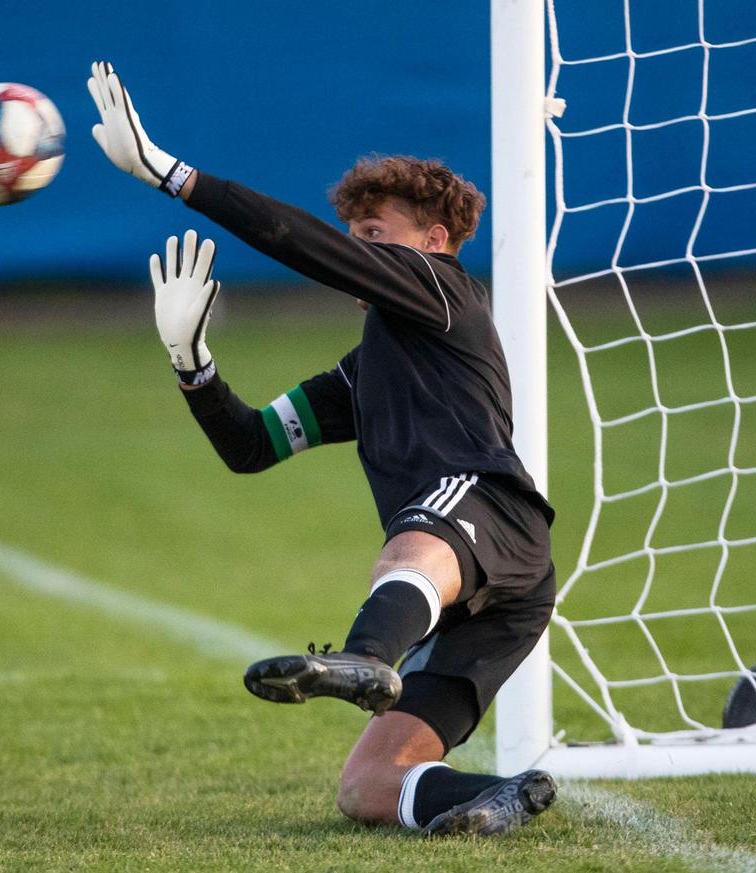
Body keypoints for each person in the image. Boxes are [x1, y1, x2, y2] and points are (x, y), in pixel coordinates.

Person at [87, 61, 558, 837]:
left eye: (375, 236)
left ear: (433, 242)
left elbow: (302, 246)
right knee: (368, 787)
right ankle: (500, 795)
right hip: (503, 598)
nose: (358, 254)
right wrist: (191, 364)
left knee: (413, 533)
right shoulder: (367, 364)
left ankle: (368, 655)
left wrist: (173, 175)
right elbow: (253, 445)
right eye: (356, 239)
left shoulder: (443, 290)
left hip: (488, 513)